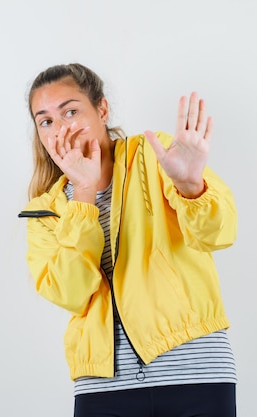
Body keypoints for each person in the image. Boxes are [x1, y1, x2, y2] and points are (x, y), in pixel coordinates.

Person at [18, 63, 238, 417]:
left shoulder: (156, 156)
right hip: (103, 387)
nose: (60, 129)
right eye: (45, 121)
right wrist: (84, 194)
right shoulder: (44, 212)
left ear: (102, 109)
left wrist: (190, 187)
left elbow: (219, 233)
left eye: (71, 111)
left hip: (194, 372)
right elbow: (71, 293)